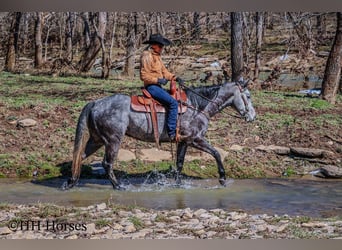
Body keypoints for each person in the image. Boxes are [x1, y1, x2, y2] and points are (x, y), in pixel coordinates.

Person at [140, 34, 184, 141]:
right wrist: (158, 80)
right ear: (154, 45)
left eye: (162, 46)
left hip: (157, 87)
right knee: (173, 103)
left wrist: (175, 77)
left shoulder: (157, 57)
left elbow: (165, 72)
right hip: (152, 87)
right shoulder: (147, 56)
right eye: (160, 46)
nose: (162, 48)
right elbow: (144, 76)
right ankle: (172, 133)